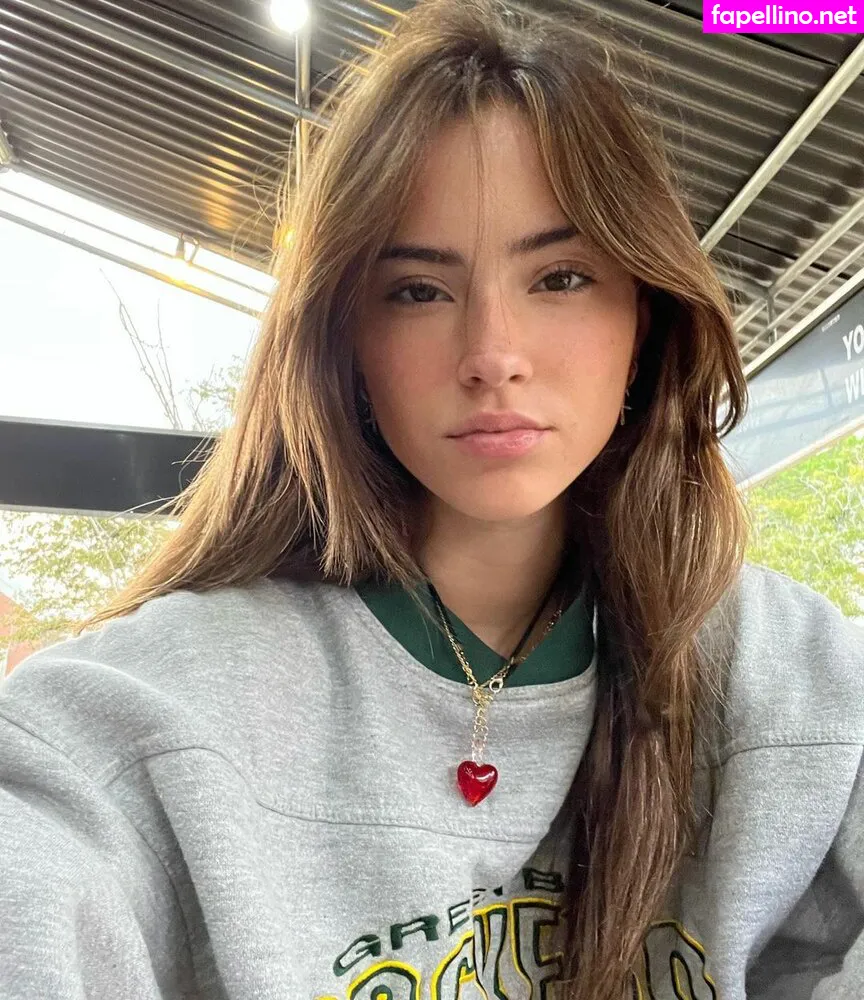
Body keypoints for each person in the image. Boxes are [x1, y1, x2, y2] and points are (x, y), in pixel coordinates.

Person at [1, 0, 862, 997]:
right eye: (418, 290)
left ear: (647, 318)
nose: (493, 353)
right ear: (346, 344)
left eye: (561, 277)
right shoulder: (147, 718)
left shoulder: (791, 682)